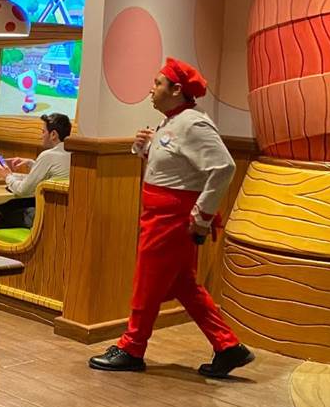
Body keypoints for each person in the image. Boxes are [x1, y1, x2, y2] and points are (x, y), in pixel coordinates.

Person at [89, 58, 253, 378]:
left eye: (157, 83)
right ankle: (228, 346)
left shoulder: (193, 124)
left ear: (177, 90)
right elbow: (174, 165)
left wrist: (202, 216)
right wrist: (144, 149)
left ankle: (132, 347)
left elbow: (224, 167)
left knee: (147, 282)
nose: (151, 89)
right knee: (184, 285)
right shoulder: (172, 122)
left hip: (171, 219)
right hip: (159, 215)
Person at [0, 112, 72, 228]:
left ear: (53, 134)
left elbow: (22, 190)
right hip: (63, 216)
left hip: (44, 219)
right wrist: (31, 163)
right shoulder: (72, 154)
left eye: (43, 132)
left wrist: (7, 176)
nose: (41, 136)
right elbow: (52, 175)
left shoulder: (48, 155)